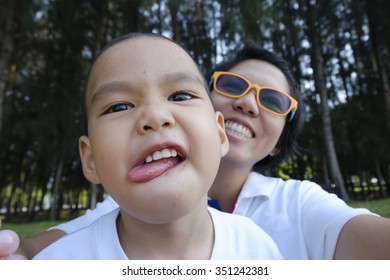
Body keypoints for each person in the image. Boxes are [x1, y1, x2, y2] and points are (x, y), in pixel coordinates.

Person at [3, 41, 390, 260]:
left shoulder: (296, 207)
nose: (250, 104)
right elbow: (59, 241)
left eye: (273, 101)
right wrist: (18, 254)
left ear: (277, 142)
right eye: (235, 86)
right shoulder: (125, 204)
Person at [16, 32, 283, 260]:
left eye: (180, 96)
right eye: (119, 107)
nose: (155, 116)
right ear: (91, 159)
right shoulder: (60, 264)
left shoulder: (258, 248)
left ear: (219, 134)